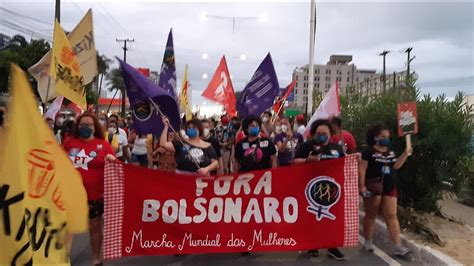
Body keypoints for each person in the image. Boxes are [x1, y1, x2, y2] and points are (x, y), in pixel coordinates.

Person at [62, 113, 115, 266]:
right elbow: (57, 159)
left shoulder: (103, 145)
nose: (85, 127)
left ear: (95, 127)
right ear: (78, 126)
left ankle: (96, 259)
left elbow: (116, 166)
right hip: (71, 193)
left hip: (95, 195)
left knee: (95, 227)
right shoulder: (69, 142)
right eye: (82, 124)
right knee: (68, 226)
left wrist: (112, 160)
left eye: (89, 125)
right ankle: (64, 259)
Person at [294, 119, 345, 260]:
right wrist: (307, 161)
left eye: (325, 133)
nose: (322, 136)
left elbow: (345, 164)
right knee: (312, 218)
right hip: (310, 188)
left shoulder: (337, 148)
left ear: (330, 134)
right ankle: (313, 246)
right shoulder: (306, 146)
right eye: (319, 133)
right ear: (314, 134)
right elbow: (295, 162)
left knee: (331, 219)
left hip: (332, 189)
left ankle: (332, 246)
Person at [359, 124, 412, 256]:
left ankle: (398, 245)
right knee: (371, 214)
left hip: (389, 186)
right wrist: (362, 186)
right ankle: (368, 240)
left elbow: (396, 166)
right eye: (383, 137)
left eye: (387, 137)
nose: (386, 139)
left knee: (391, 215)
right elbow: (362, 169)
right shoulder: (368, 152)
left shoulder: (391, 151)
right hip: (373, 186)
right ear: (376, 137)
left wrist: (406, 153)